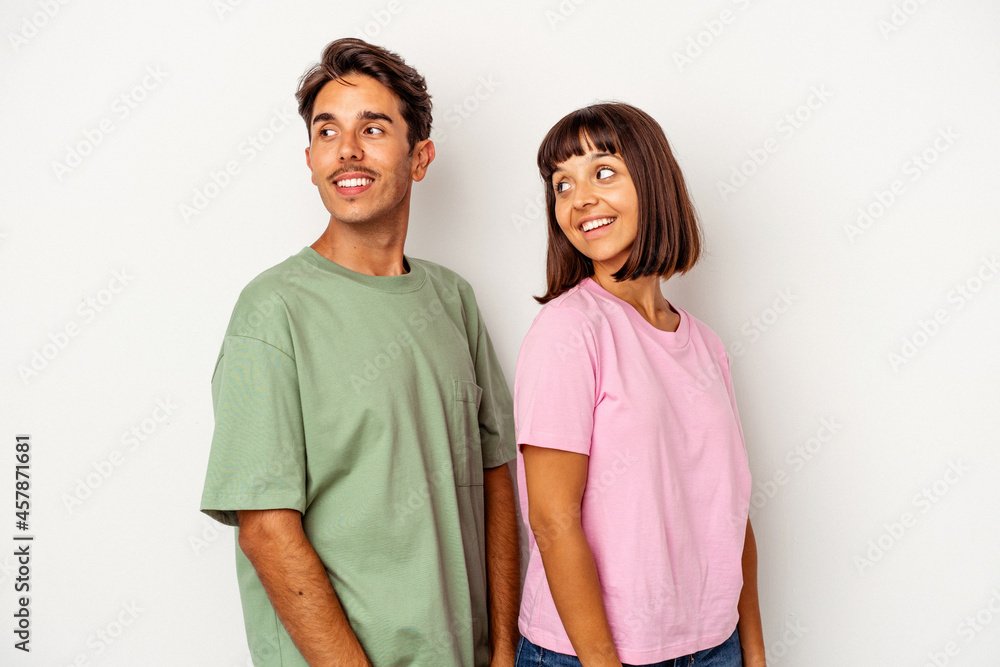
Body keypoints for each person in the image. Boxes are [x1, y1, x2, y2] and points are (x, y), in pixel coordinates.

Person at [199, 38, 520, 667]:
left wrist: (504, 648)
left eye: (372, 128)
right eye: (328, 132)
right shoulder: (271, 310)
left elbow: (495, 478)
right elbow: (266, 531)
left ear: (419, 157)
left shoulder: (453, 299)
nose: (347, 149)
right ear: (311, 159)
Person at [513, 103, 765, 667]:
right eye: (562, 184)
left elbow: (731, 511)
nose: (579, 199)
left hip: (714, 647)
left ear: (653, 181)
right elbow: (553, 522)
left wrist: (753, 649)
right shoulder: (569, 330)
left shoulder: (706, 346)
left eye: (603, 172)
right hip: (590, 655)